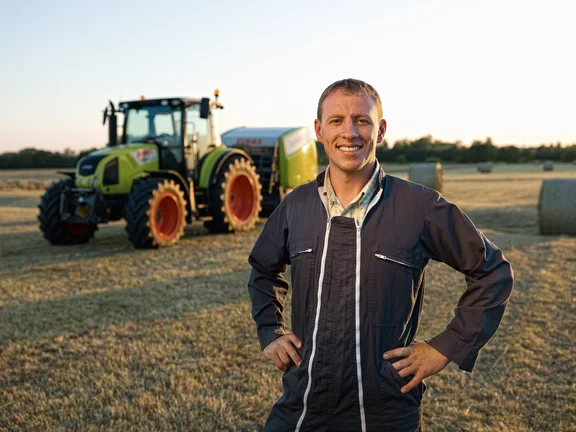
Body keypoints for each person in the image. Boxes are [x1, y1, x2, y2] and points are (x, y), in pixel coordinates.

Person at [247, 78, 514, 432]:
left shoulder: (420, 207)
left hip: (385, 409)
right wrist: (269, 330)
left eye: (362, 120)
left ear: (381, 130)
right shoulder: (295, 206)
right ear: (319, 130)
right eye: (337, 121)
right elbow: (263, 272)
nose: (350, 132)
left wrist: (445, 347)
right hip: (302, 401)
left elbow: (492, 272)